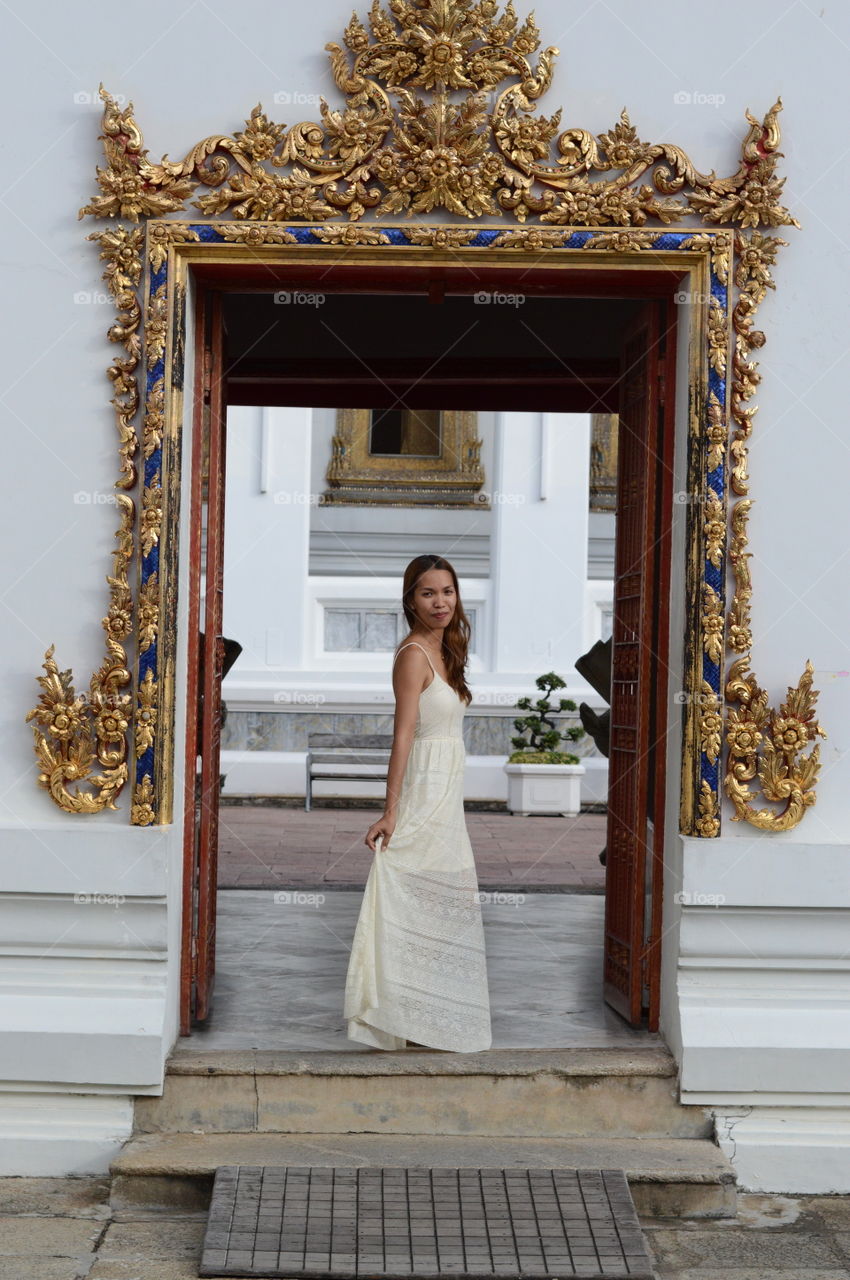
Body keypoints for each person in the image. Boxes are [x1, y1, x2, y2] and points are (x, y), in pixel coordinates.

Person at [343, 554, 492, 1052]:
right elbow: (403, 735)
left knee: (445, 903)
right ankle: (402, 1014)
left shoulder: (447, 649)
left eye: (447, 591)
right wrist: (391, 810)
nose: (440, 602)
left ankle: (431, 1017)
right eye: (428, 593)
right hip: (423, 792)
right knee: (413, 895)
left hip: (447, 794)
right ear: (411, 600)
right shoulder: (413, 655)